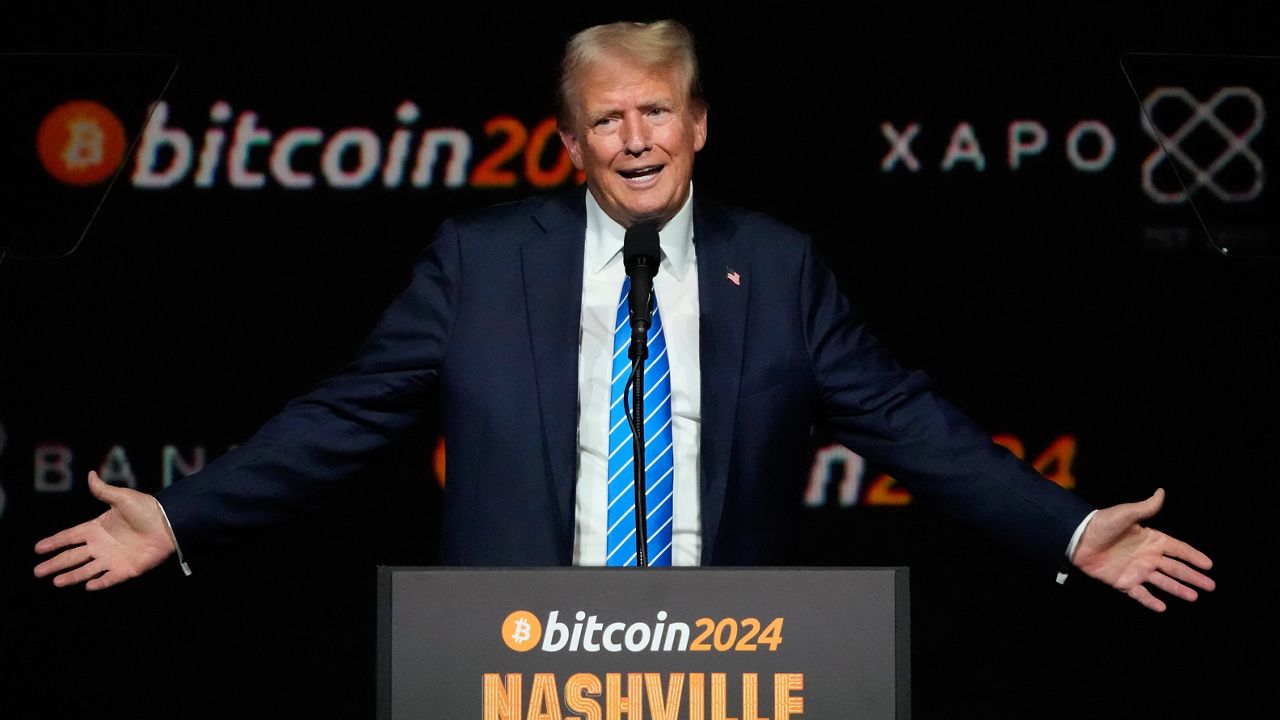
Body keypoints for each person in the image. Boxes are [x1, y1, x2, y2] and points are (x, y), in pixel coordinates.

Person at [35, 19, 1213, 612]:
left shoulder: (780, 265)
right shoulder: (480, 262)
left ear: (699, 125)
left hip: (726, 660)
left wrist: (1066, 529)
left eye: (656, 113)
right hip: (516, 661)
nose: (635, 139)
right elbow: (341, 419)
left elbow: (908, 423)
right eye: (607, 120)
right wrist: (181, 516)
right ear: (571, 143)